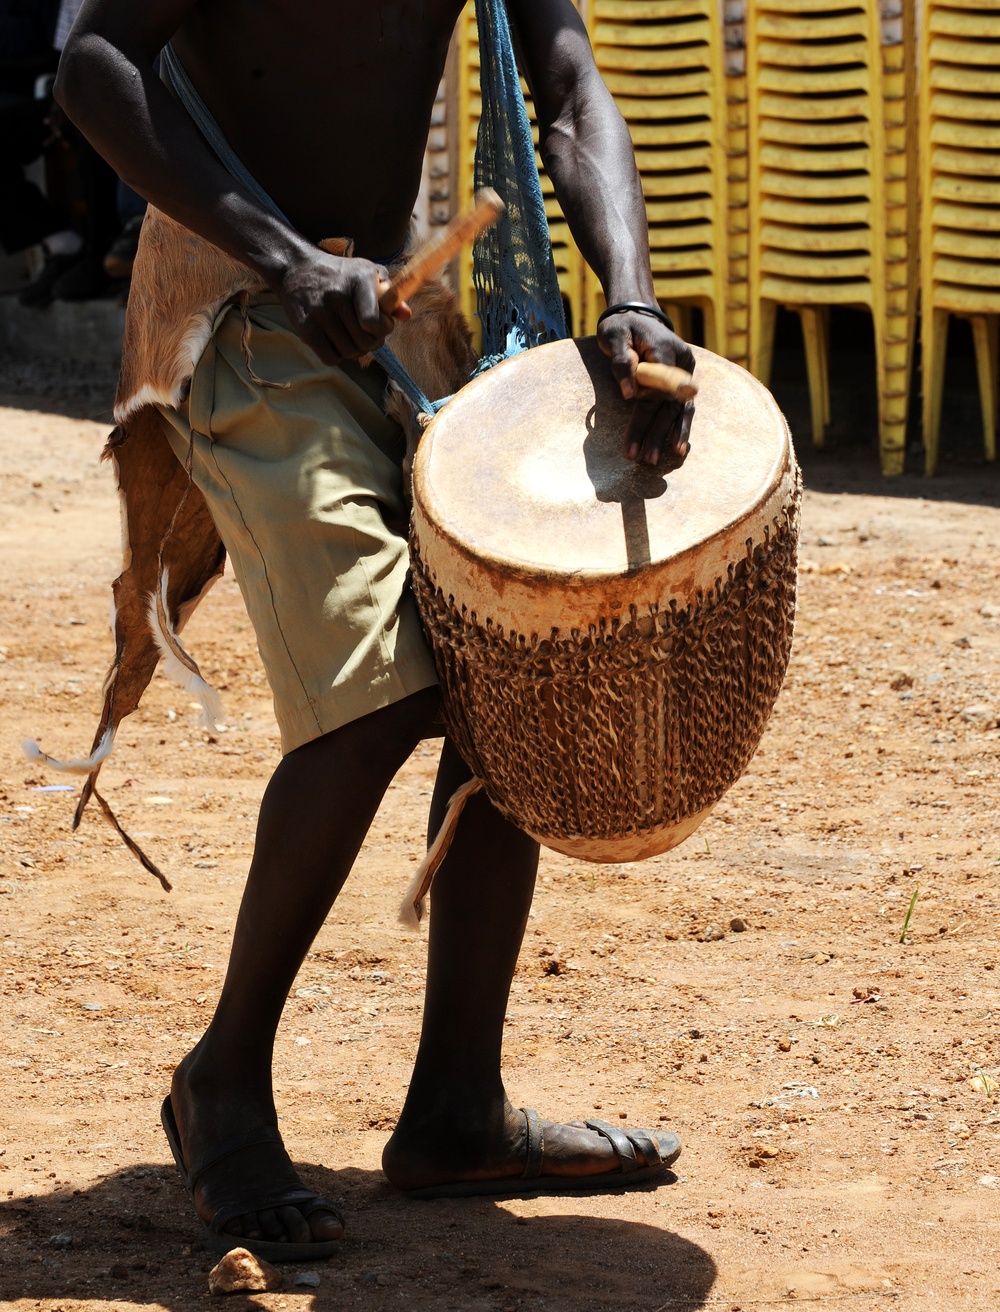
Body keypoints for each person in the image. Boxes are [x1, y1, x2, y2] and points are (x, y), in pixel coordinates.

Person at [55, 0, 696, 1262]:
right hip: (238, 306)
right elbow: (91, 65)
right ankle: (222, 1082)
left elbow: (564, 81)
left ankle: (457, 1105)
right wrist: (287, 260)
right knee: (385, 688)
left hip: (398, 304)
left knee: (512, 653)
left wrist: (630, 294)